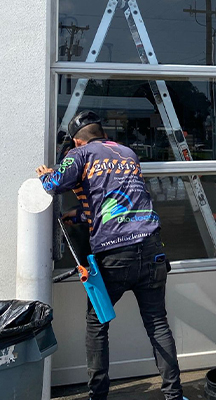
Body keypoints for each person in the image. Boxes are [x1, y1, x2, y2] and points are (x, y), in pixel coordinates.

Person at [36, 111, 185, 400]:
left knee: (97, 323)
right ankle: (174, 395)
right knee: (157, 323)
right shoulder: (128, 153)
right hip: (152, 248)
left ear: (78, 141)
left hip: (115, 256)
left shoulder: (80, 155)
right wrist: (79, 214)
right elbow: (114, 198)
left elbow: (53, 184)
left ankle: (98, 395)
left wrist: (46, 176)